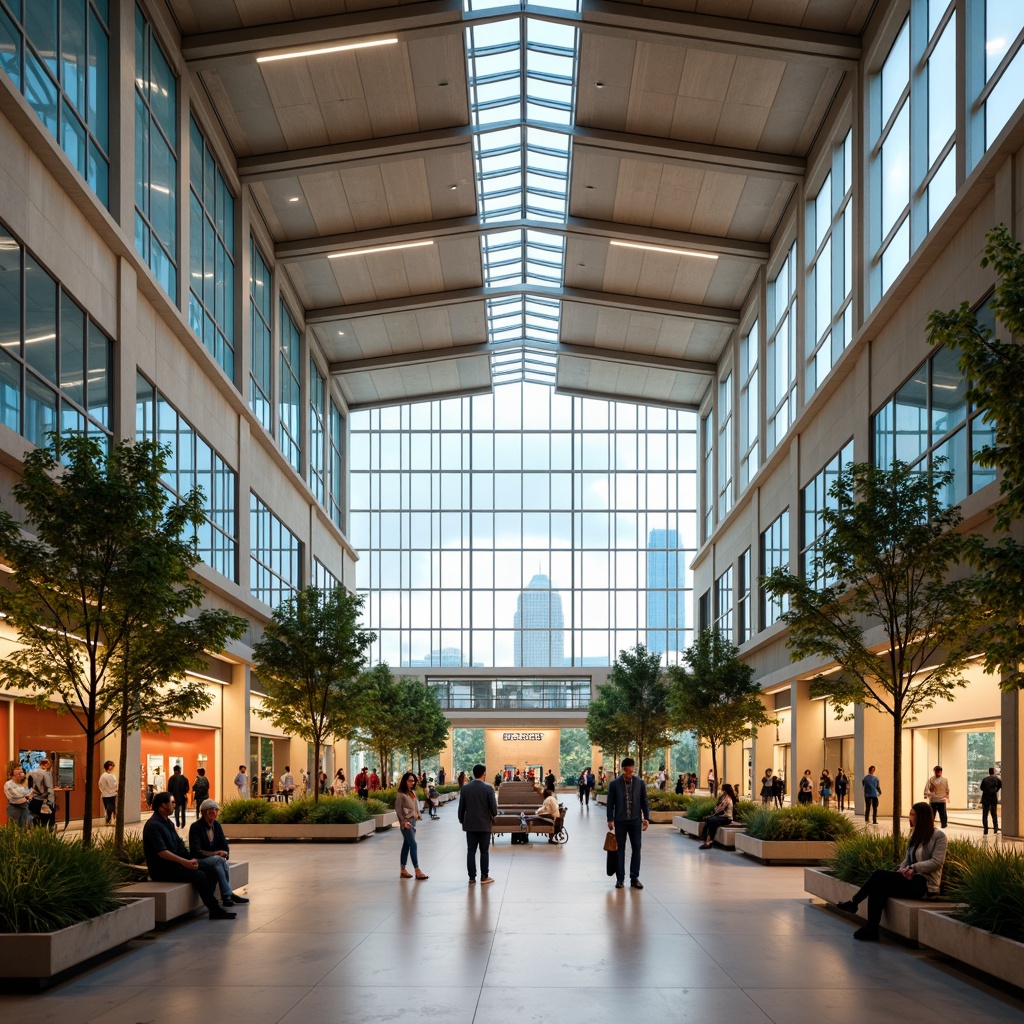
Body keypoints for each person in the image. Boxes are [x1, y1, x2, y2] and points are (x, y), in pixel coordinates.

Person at [836, 801, 947, 941]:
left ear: (922, 817)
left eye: (913, 814)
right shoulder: (915, 835)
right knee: (878, 888)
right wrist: (901, 869)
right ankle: (872, 929)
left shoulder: (939, 836)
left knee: (878, 875)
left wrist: (914, 868)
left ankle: (854, 903)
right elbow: (907, 859)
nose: (909, 817)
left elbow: (937, 862)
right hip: (910, 879)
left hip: (924, 884)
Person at [143, 792, 235, 919]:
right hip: (163, 869)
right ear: (162, 805)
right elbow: (162, 852)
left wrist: (190, 859)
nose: (175, 805)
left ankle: (213, 904)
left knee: (211, 869)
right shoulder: (153, 825)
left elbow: (179, 845)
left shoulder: (168, 823)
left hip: (176, 864)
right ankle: (215, 909)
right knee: (199, 875)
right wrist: (183, 862)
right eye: (172, 802)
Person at [187, 799, 249, 907]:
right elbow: (196, 851)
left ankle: (226, 897)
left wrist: (225, 853)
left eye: (216, 810)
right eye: (211, 811)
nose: (214, 813)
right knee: (219, 861)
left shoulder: (216, 825)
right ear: (204, 812)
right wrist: (215, 854)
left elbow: (224, 844)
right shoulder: (196, 827)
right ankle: (228, 895)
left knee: (221, 862)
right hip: (199, 860)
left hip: (215, 860)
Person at [606, 757, 650, 890]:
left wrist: (646, 818)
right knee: (621, 850)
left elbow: (644, 801)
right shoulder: (614, 784)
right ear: (624, 770)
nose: (632, 772)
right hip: (620, 821)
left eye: (633, 769)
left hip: (636, 821)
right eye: (629, 770)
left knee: (637, 849)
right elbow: (610, 804)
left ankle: (634, 877)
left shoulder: (639, 783)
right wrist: (610, 819)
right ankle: (620, 879)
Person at [458, 763, 497, 884]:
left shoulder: (465, 788)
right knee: (484, 851)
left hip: (470, 824)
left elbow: (461, 808)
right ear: (484, 773)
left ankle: (471, 877)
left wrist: (461, 820)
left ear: (473, 773)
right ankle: (484, 876)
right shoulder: (488, 788)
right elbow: (494, 810)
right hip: (484, 824)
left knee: (471, 851)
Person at [395, 771, 429, 880]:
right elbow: (398, 810)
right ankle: (417, 869)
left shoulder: (412, 792)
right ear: (405, 781)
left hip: (413, 821)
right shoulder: (401, 794)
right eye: (410, 781)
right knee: (413, 844)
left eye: (413, 781)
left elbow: (415, 806)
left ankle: (403, 869)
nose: (412, 783)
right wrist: (404, 822)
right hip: (406, 823)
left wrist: (418, 815)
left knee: (407, 844)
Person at [700, 783, 737, 849]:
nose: (722, 791)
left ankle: (708, 841)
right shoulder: (724, 797)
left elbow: (721, 808)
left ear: (725, 790)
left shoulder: (728, 799)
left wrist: (716, 810)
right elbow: (719, 807)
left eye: (723, 790)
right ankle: (707, 841)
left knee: (711, 821)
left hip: (727, 818)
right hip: (722, 817)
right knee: (709, 820)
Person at [27, 757, 55, 829]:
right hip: (44, 801)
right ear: (44, 765)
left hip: (34, 801)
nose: (50, 767)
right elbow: (49, 790)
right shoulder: (45, 774)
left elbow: (29, 786)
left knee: (36, 822)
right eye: (49, 765)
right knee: (44, 824)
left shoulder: (31, 772)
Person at [979, 767, 1001, 835]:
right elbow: (1000, 785)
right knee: (994, 814)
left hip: (985, 798)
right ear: (993, 772)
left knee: (985, 815)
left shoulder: (985, 779)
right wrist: (995, 790)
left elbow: (981, 788)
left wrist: (986, 790)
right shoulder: (997, 779)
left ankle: (985, 829)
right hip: (993, 798)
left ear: (989, 772)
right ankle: (995, 829)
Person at [99, 760, 119, 826]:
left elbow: (100, 786)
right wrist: (116, 785)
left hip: (105, 795)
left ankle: (108, 821)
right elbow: (113, 785)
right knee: (112, 809)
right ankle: (112, 821)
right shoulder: (109, 776)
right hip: (111, 795)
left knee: (108, 810)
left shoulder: (103, 776)